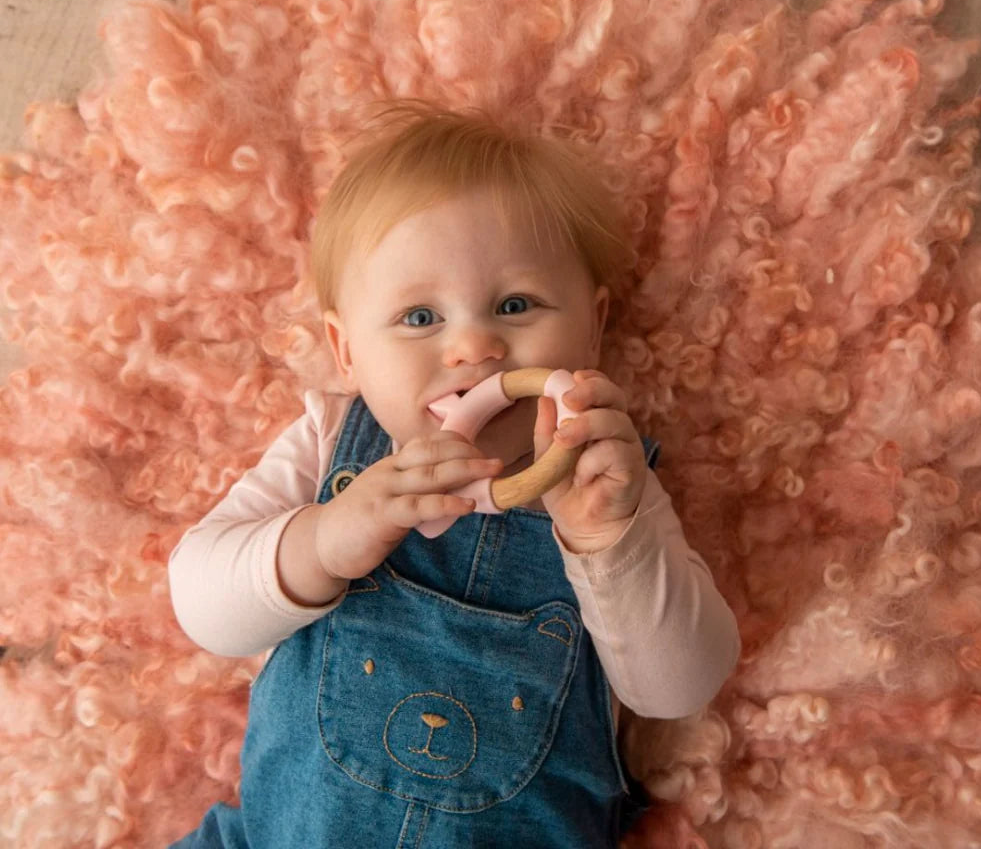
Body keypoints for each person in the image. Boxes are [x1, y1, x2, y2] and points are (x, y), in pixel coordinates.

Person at [168, 104, 741, 848]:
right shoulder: (331, 442)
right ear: (347, 351)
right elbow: (201, 606)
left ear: (593, 327)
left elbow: (679, 690)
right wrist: (327, 541)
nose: (474, 347)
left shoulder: (608, 481)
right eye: (418, 318)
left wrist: (609, 543)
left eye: (515, 305)